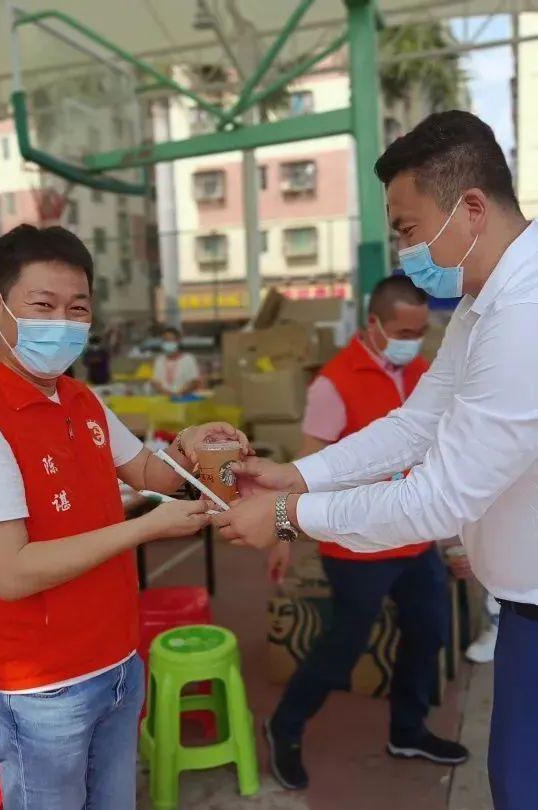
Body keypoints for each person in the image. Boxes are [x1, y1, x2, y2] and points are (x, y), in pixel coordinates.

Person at [213, 110, 538, 810]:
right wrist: (299, 474)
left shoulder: (525, 311)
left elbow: (439, 497)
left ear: (471, 208)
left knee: (522, 785)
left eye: (408, 229)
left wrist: (286, 516)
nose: (405, 251)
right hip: (519, 602)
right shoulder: (483, 305)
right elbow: (418, 423)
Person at [0, 223, 249, 810]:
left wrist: (191, 446)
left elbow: (147, 472)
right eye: (43, 306)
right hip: (42, 688)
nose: (63, 323)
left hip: (116, 661)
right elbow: (10, 572)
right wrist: (146, 528)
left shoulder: (80, 398)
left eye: (78, 309)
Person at [263, 275, 466, 791]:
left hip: (413, 535)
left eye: (420, 332)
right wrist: (283, 533)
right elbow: (307, 463)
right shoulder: (333, 383)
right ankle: (285, 726)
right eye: (403, 332)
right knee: (344, 645)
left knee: (428, 632)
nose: (412, 342)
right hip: (354, 543)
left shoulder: (423, 373)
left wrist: (454, 537)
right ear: (374, 324)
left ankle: (408, 731)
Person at [153, 326, 201, 396]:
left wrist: (180, 394)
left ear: (178, 341)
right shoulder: (159, 360)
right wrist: (167, 394)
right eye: (165, 341)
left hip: (184, 399)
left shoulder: (188, 359)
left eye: (170, 340)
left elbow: (194, 382)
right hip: (164, 399)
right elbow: (156, 383)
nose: (167, 343)